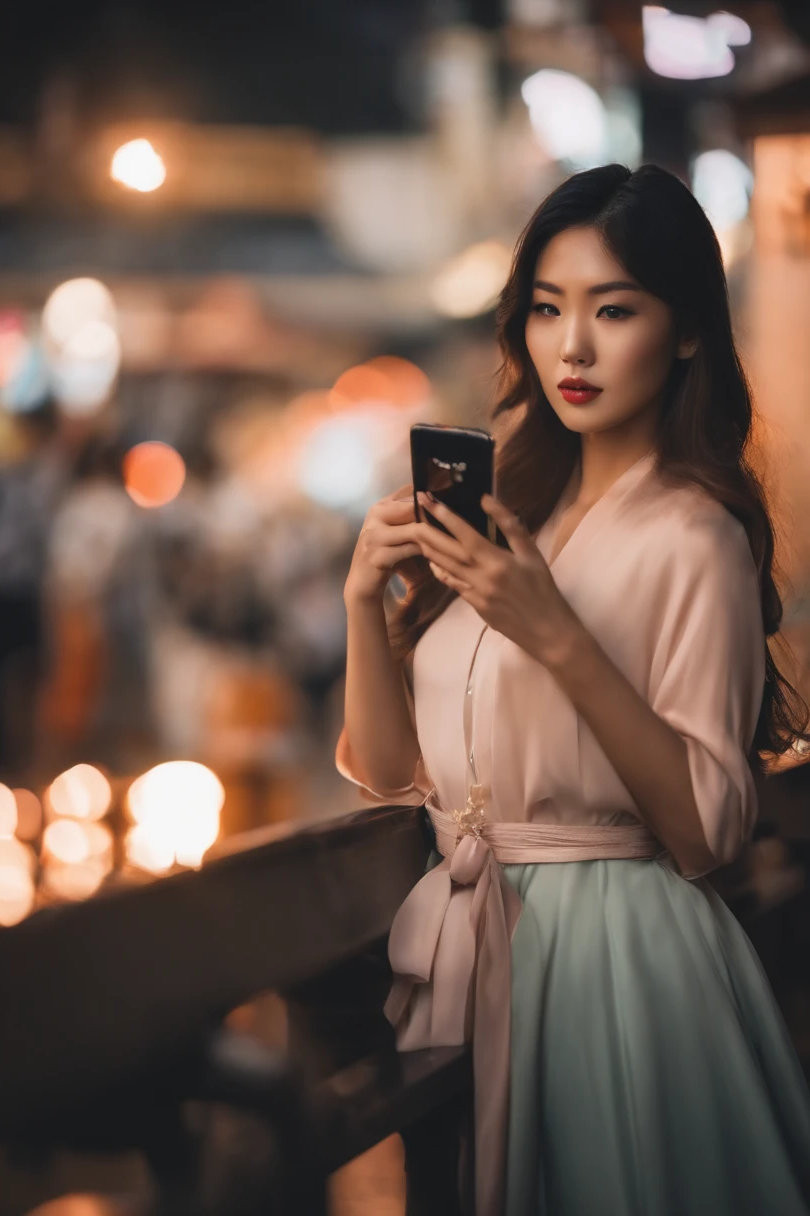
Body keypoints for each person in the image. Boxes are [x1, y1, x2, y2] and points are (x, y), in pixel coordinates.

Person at [335, 163, 810, 1216]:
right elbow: (387, 774)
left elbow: (708, 832)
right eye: (547, 309)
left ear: (684, 330)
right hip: (479, 935)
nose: (573, 346)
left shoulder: (696, 536)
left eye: (614, 309)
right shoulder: (514, 511)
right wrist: (364, 600)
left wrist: (552, 631)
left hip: (619, 961)